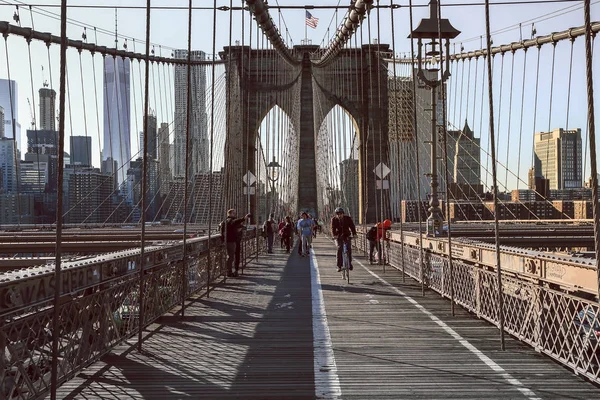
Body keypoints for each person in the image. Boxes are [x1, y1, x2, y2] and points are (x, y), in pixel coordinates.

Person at [220, 209, 250, 277]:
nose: (235, 214)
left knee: (230, 257)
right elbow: (235, 222)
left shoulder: (224, 222)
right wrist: (244, 218)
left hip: (228, 241)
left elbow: (222, 232)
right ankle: (229, 272)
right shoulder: (230, 221)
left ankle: (229, 271)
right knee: (231, 257)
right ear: (229, 214)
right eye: (233, 213)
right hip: (231, 241)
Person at [330, 207, 357, 272]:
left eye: (341, 214)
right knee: (339, 249)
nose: (339, 215)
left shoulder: (348, 219)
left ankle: (349, 263)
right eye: (338, 214)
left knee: (349, 249)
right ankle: (339, 266)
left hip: (346, 235)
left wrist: (354, 234)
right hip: (338, 236)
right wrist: (334, 235)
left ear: (343, 214)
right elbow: (333, 228)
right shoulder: (334, 219)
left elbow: (352, 226)